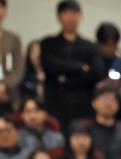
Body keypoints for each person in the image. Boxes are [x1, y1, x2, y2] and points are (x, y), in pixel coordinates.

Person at [38, 1, 98, 129]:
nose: (71, 18)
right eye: (66, 13)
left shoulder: (90, 46)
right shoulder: (48, 43)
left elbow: (96, 73)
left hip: (83, 104)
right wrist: (81, 67)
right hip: (55, 103)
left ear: (80, 16)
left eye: (75, 13)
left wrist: (66, 78)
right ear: (58, 16)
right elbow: (49, 65)